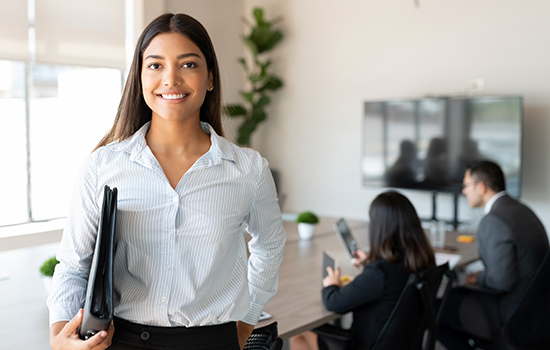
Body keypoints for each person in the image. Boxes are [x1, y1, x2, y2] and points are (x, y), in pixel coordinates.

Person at [47, 13, 286, 350]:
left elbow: (270, 247)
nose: (170, 79)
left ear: (211, 78)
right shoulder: (103, 166)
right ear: (140, 77)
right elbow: (74, 265)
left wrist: (246, 321)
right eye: (155, 66)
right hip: (121, 340)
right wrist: (60, 337)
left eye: (188, 65)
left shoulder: (248, 169)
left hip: (213, 340)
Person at [290, 191, 436, 350]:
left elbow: (334, 302)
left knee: (299, 334)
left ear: (379, 228)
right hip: (402, 343)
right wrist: (369, 262)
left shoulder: (379, 273)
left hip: (366, 345)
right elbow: (391, 278)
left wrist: (331, 285)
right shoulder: (423, 261)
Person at [438, 160, 549, 349]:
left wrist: (475, 277)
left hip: (509, 312)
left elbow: (501, 281)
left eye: (466, 186)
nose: (464, 191)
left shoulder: (494, 220)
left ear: (481, 187)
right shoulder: (523, 210)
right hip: (536, 309)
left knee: (434, 308)